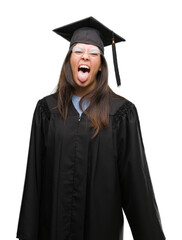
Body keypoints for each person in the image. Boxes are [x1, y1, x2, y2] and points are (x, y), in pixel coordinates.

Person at [16, 17, 166, 240]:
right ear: (69, 61)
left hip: (101, 230)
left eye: (94, 53)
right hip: (53, 231)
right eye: (78, 51)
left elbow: (136, 183)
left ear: (101, 65)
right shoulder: (47, 111)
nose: (85, 56)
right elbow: (34, 179)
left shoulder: (121, 113)